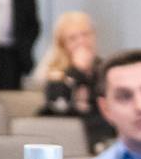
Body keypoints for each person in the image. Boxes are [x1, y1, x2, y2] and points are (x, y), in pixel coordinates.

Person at [37, 10, 112, 149]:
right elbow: (59, 109)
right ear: (62, 45)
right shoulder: (56, 76)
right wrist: (77, 71)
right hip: (69, 141)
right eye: (73, 38)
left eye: (86, 34)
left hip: (105, 137)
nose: (82, 42)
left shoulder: (107, 70)